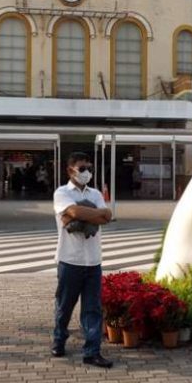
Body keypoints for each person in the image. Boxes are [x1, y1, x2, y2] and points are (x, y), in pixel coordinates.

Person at [52, 151, 113, 368]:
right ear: (70, 170)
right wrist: (89, 214)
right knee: (64, 306)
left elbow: (107, 215)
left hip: (93, 261)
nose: (87, 172)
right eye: (82, 168)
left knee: (93, 308)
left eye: (89, 168)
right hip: (70, 260)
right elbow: (73, 211)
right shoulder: (61, 193)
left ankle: (92, 352)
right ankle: (59, 340)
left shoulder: (96, 193)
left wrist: (80, 215)